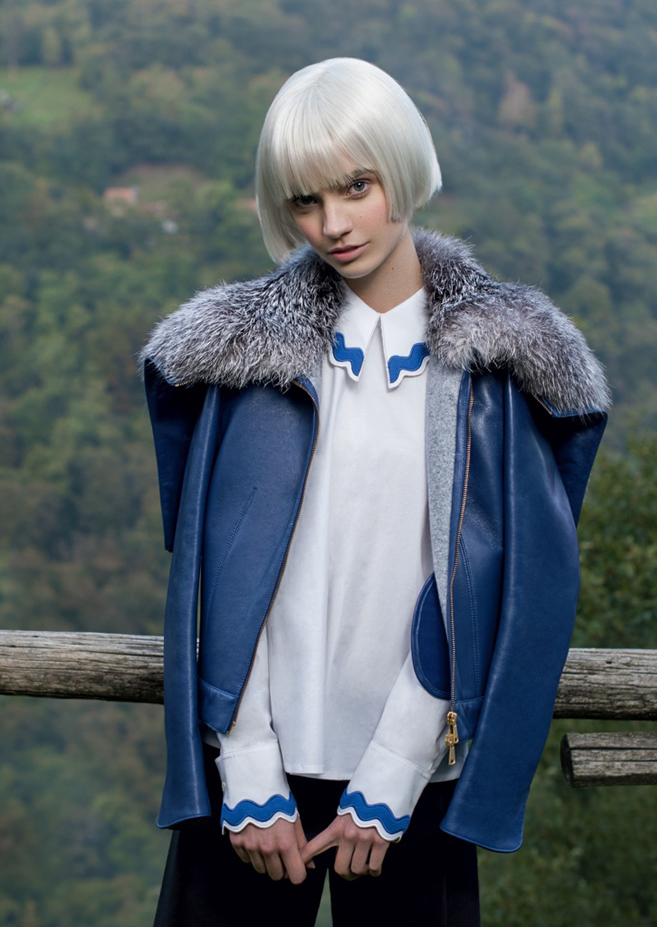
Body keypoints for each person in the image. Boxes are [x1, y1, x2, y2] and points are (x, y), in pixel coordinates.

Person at [142, 58, 609, 927]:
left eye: (355, 186)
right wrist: (246, 766)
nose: (333, 224)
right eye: (305, 200)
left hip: (417, 784)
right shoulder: (245, 362)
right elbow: (218, 575)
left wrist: (396, 770)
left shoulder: (498, 378)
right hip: (249, 788)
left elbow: (491, 585)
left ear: (403, 167)